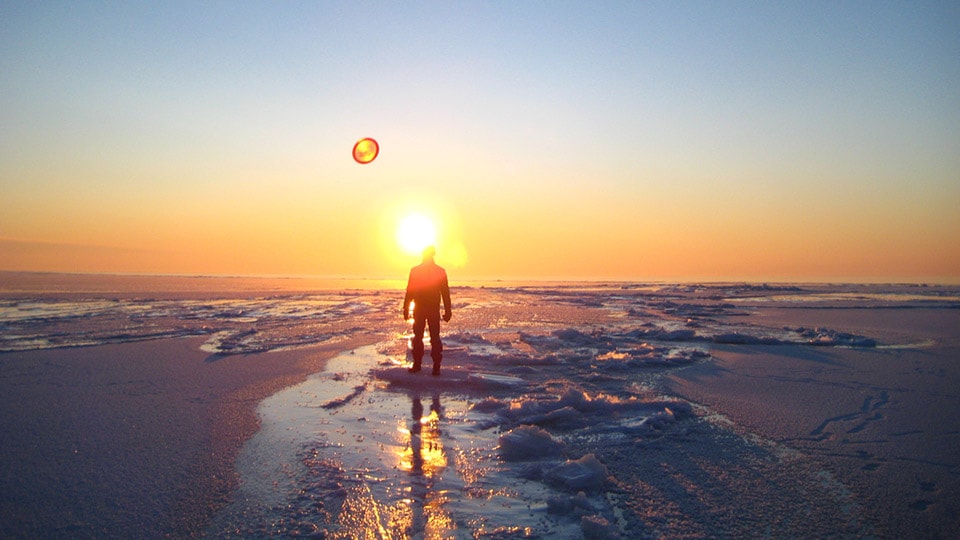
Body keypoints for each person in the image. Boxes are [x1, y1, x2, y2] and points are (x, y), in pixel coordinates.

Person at [402, 246, 452, 375]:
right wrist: (406, 308)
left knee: (431, 337)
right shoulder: (418, 271)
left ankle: (433, 366)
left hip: (429, 309)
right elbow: (410, 291)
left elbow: (445, 292)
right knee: (421, 337)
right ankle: (422, 365)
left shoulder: (435, 271)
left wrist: (448, 310)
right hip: (422, 309)